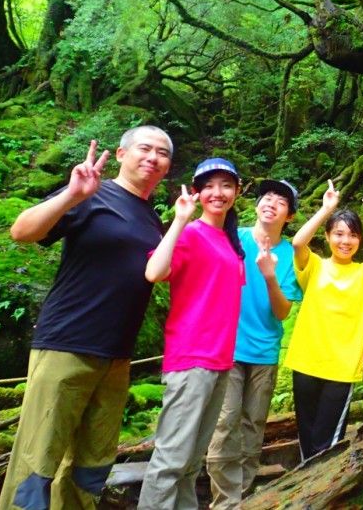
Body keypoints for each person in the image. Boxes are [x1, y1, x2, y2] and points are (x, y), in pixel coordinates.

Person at [0, 126, 173, 510]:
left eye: (162, 153)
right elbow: (21, 231)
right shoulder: (92, 194)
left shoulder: (151, 219)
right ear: (122, 154)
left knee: (90, 466)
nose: (152, 157)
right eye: (144, 148)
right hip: (67, 344)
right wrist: (71, 195)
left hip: (117, 357)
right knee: (36, 461)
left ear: (167, 168)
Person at [137, 158, 246, 510]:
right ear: (197, 192)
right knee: (170, 462)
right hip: (191, 358)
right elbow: (154, 272)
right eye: (209, 186)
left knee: (190, 464)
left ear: (237, 192)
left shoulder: (231, 244)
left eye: (226, 185)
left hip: (220, 361)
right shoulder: (190, 233)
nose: (218, 193)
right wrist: (180, 219)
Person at [284, 180, 363, 460]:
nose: (345, 241)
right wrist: (326, 209)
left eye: (352, 235)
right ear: (327, 237)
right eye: (338, 234)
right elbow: (299, 242)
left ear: (359, 240)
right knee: (307, 435)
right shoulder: (314, 266)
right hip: (305, 362)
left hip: (340, 369)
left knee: (327, 443)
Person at [206, 179, 303, 508]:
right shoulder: (234, 238)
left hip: (264, 352)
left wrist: (269, 275)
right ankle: (224, 501)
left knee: (253, 423)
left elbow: (282, 311)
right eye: (267, 197)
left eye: (281, 201)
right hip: (227, 349)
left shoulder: (291, 254)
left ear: (289, 216)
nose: (271, 203)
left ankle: (243, 494)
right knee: (225, 422)